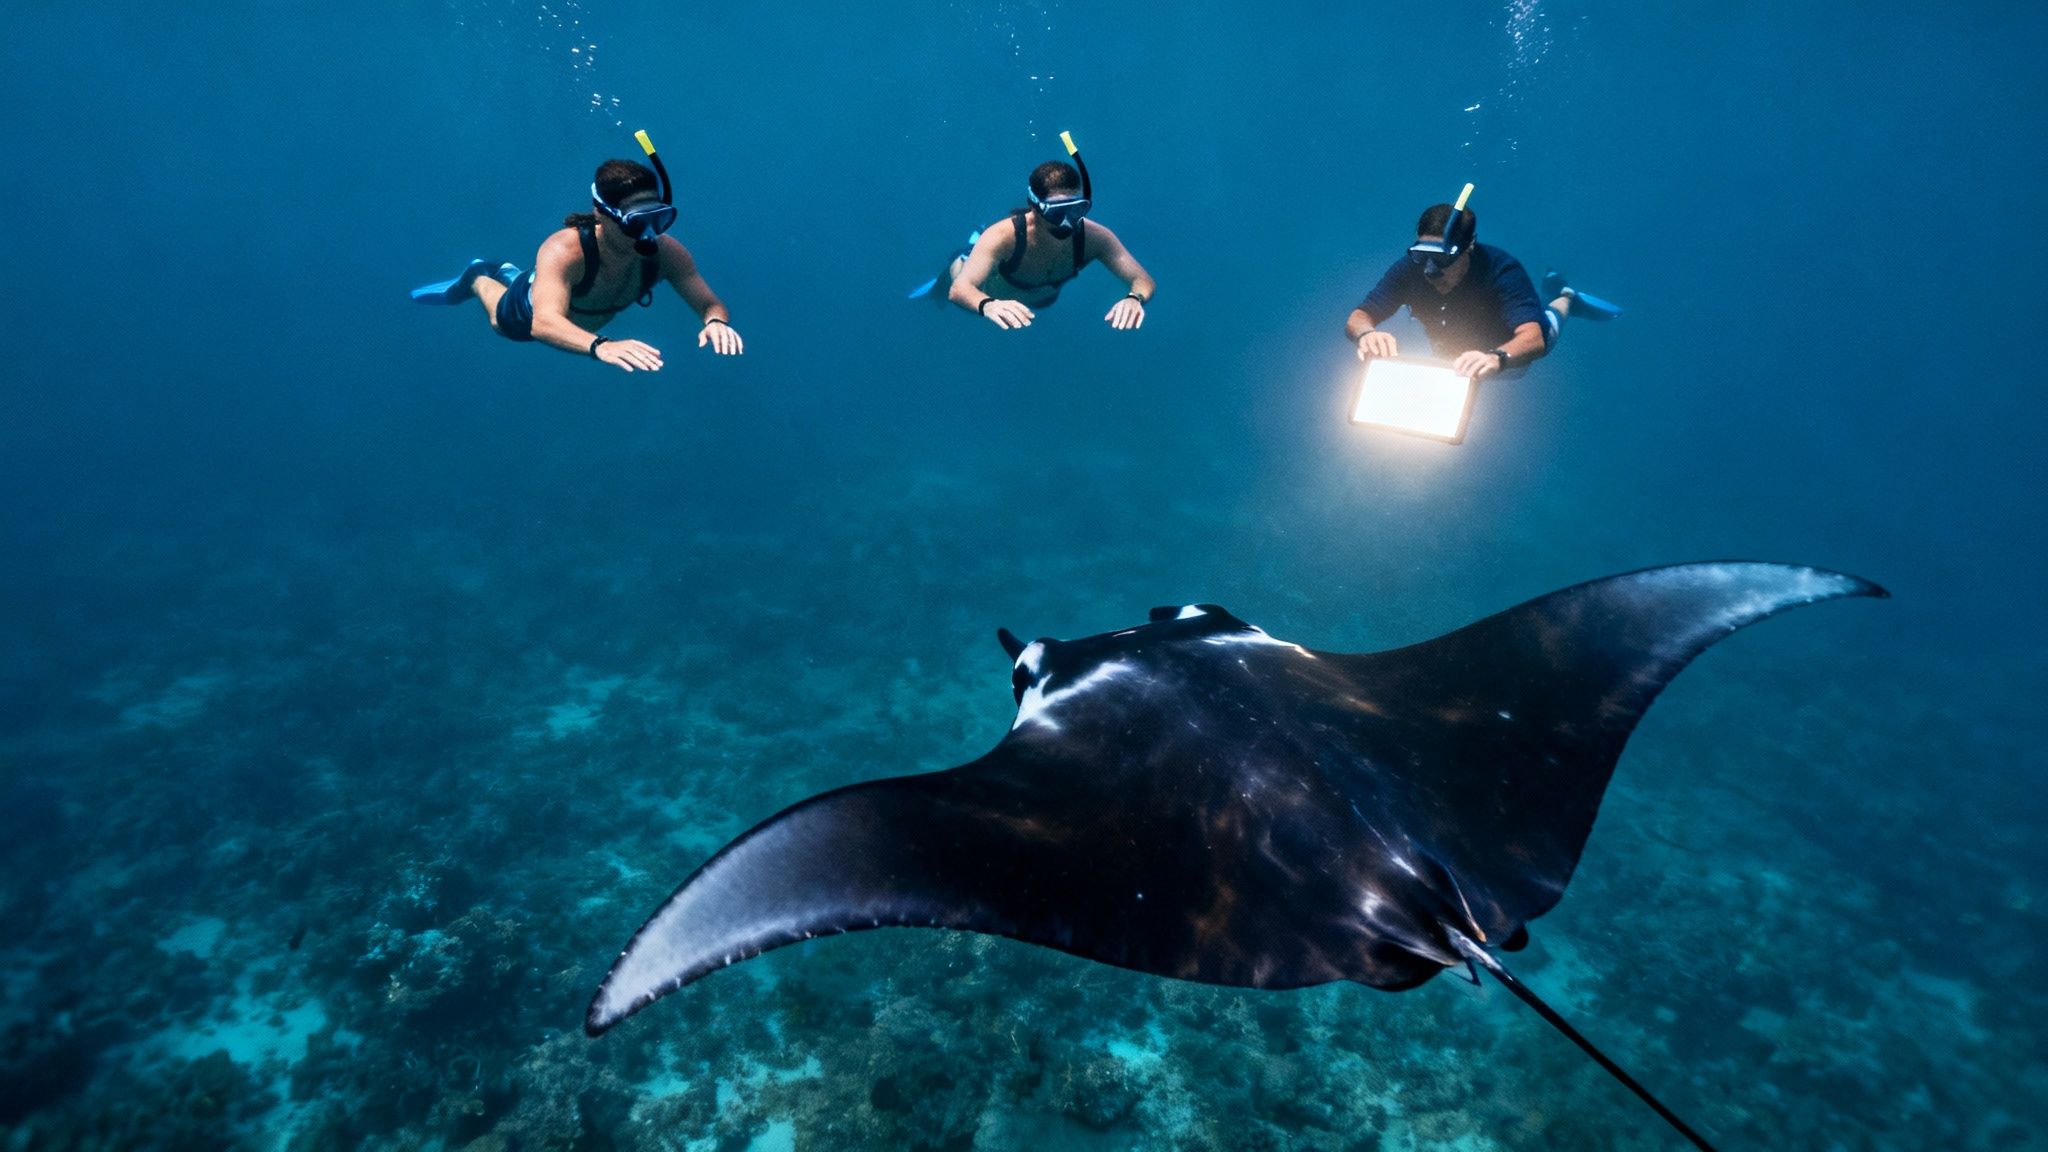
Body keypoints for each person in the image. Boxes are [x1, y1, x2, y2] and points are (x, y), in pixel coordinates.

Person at [411, 131, 742, 372]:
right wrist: (601, 346)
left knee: (526, 283)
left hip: (563, 300)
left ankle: (510, 273)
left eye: (656, 219)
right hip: (529, 311)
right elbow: (543, 323)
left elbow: (708, 303)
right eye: (635, 222)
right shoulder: (564, 250)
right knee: (501, 323)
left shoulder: (666, 253)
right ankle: (479, 275)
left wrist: (714, 322)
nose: (646, 233)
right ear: (602, 215)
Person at [1344, 186, 1620, 378]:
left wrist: (1497, 358)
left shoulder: (1502, 271)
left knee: (1546, 335)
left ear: (1469, 247)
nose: (1429, 270)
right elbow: (1360, 316)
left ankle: (1567, 297)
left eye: (1441, 259)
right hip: (1450, 350)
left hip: (1503, 358)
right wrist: (1367, 334)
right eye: (1421, 255)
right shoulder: (1409, 269)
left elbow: (1532, 338)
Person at [909, 132, 1156, 331]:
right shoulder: (1002, 237)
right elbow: (960, 289)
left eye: (1076, 209)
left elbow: (1143, 280)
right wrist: (987, 305)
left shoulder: (1095, 238)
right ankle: (968, 251)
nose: (1067, 223)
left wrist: (1134, 298)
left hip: (1040, 300)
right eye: (1057, 212)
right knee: (956, 275)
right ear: (1033, 207)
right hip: (989, 292)